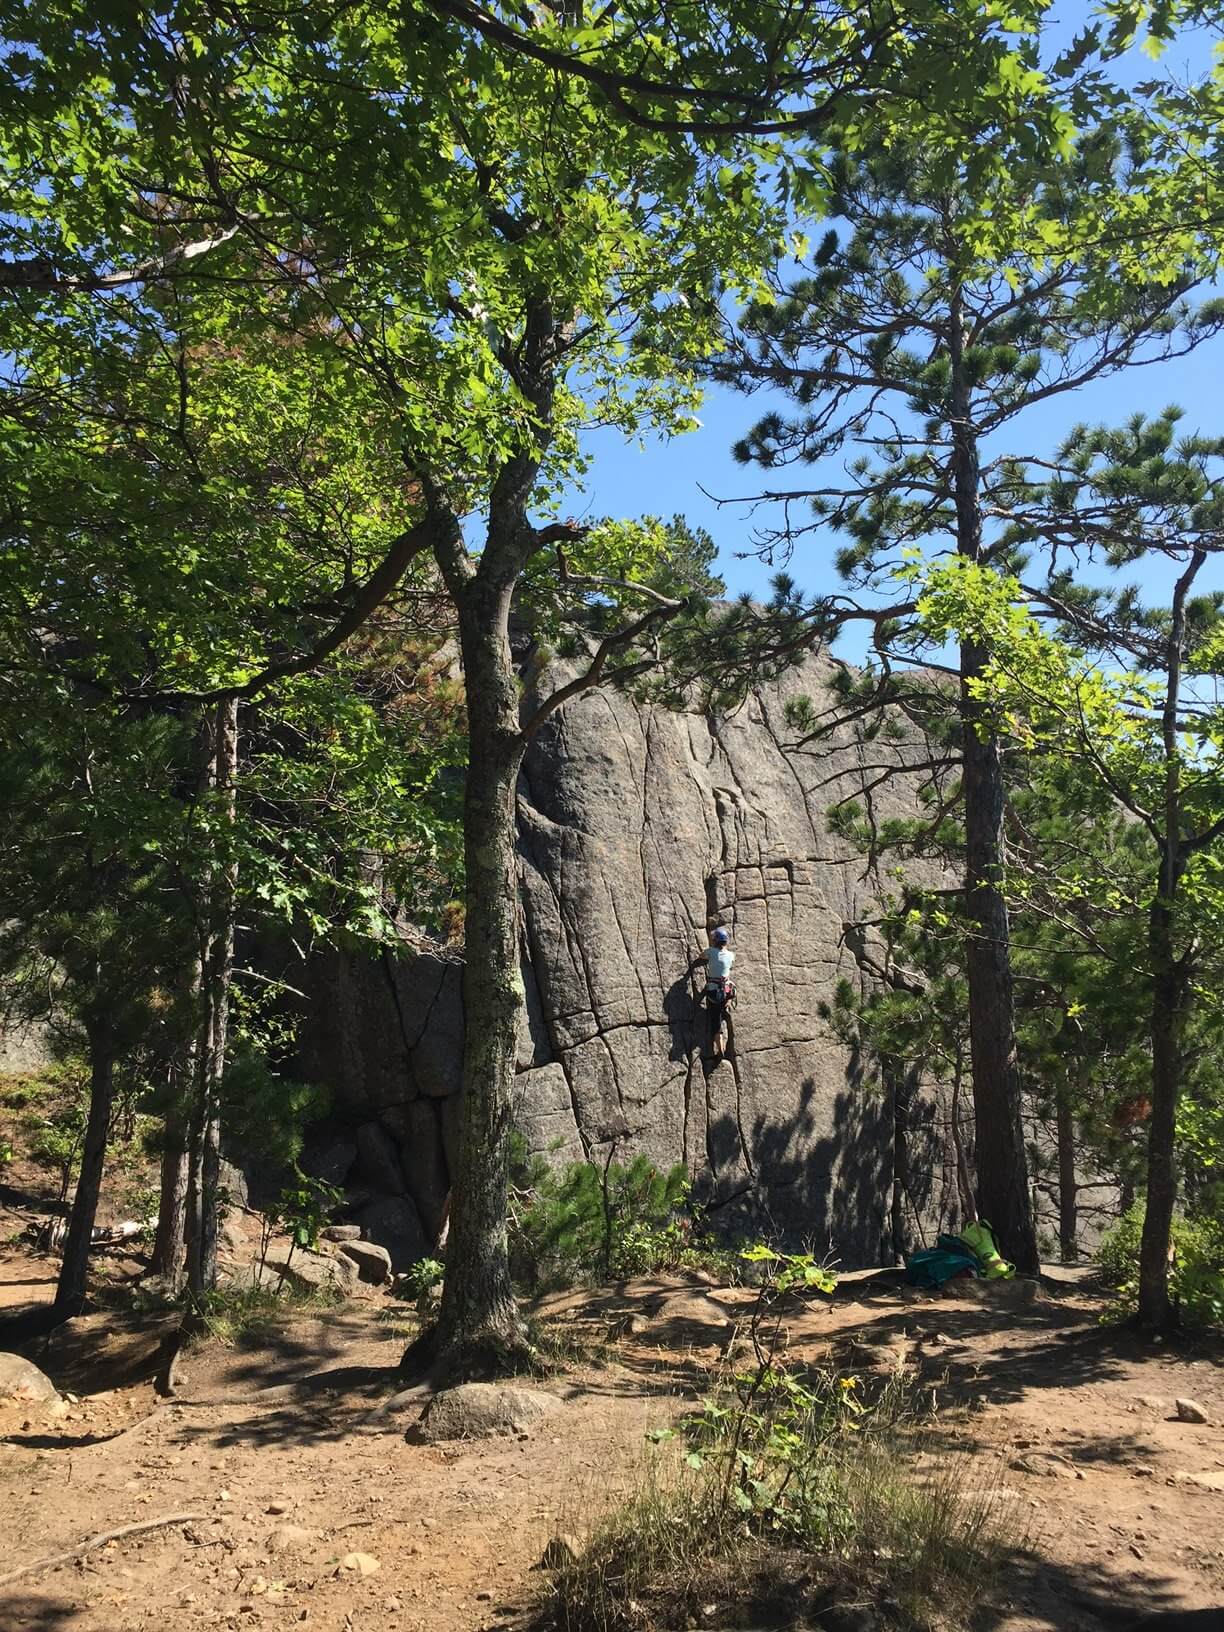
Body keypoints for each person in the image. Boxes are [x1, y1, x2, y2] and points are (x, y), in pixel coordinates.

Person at [690, 926, 735, 1061]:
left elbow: (701, 957)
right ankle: (725, 1007)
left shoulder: (710, 952)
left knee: (715, 1020)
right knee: (720, 1011)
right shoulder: (731, 955)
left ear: (715, 941)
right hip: (727, 990)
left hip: (714, 992)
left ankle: (720, 1049)